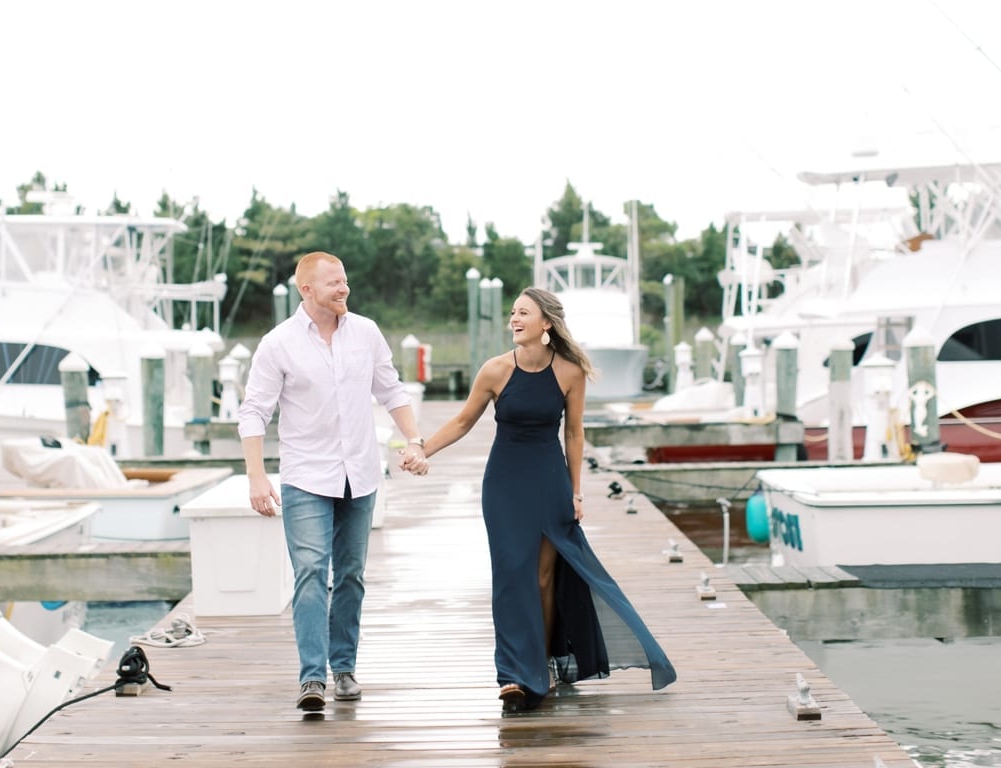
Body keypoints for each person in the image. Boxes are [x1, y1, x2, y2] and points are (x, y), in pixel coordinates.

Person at [400, 286, 676, 711]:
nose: (514, 319)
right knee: (511, 576)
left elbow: (575, 433)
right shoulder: (494, 370)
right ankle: (514, 675)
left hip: (549, 482)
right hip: (504, 485)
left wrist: (576, 491)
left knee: (544, 579)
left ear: (546, 323)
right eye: (512, 312)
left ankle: (542, 662)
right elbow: (461, 421)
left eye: (523, 313)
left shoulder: (569, 372)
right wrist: (421, 448)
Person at [239, 251, 428, 714]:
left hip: (359, 474)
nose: (343, 289)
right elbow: (254, 411)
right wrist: (256, 476)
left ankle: (343, 668)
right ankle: (312, 678)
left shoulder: (365, 332)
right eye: (333, 283)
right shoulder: (278, 343)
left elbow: (391, 390)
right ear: (306, 290)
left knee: (349, 576)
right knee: (309, 573)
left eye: (345, 281)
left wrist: (415, 440)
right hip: (305, 476)